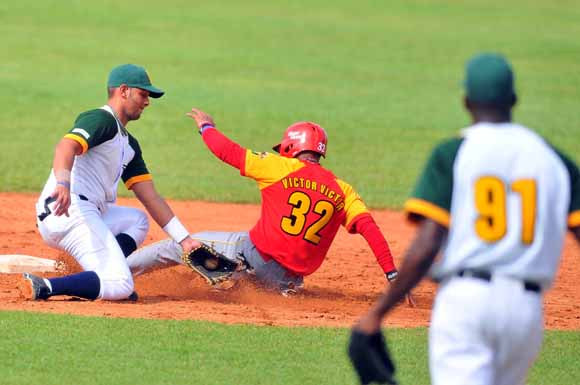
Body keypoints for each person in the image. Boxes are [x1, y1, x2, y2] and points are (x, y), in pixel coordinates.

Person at [349, 53, 580, 385]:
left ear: (466, 101)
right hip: (525, 312)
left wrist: (377, 313)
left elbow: (427, 244)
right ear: (513, 100)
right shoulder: (554, 160)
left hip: (467, 305)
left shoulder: (454, 153)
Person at [126, 108, 407, 298]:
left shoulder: (279, 167)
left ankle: (117, 272)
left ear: (293, 147)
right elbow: (370, 228)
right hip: (287, 281)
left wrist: (206, 126)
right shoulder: (343, 190)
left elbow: (227, 152)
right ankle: (241, 282)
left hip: (256, 255)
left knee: (181, 246)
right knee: (235, 283)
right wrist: (392, 274)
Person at [21, 64, 199, 301]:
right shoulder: (101, 119)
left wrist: (184, 239)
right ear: (123, 91)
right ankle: (46, 286)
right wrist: (63, 183)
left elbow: (150, 197)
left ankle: (102, 273)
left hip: (83, 211)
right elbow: (66, 146)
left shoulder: (129, 145)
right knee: (122, 287)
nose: (147, 102)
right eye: (143, 94)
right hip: (70, 212)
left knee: (137, 221)